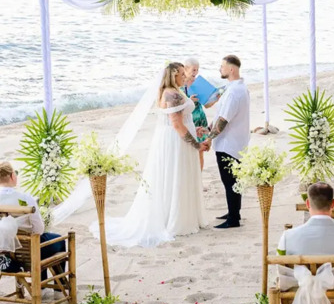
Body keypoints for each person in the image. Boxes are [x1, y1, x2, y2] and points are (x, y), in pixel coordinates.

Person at [95, 62, 209, 247]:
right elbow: (176, 124)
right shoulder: (171, 93)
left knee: (180, 176)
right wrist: (196, 145)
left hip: (177, 138)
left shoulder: (176, 91)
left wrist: (197, 129)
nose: (184, 76)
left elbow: (183, 120)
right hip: (175, 142)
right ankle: (175, 220)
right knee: (176, 176)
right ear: (172, 76)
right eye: (181, 74)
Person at [0, 161, 66, 276]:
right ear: (12, 176)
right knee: (58, 240)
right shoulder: (25, 199)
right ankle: (58, 288)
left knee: (39, 241)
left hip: (2, 252)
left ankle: (43, 285)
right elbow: (38, 230)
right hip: (29, 251)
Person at [277, 182, 334, 285]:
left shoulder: (287, 236)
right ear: (333, 203)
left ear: (307, 203)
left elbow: (282, 272)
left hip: (298, 296)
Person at [206, 55, 250, 229]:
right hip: (236, 141)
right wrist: (209, 128)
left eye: (222, 66)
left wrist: (209, 139)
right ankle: (234, 212)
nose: (220, 69)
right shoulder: (238, 88)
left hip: (229, 143)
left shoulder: (233, 92)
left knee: (230, 181)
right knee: (233, 180)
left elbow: (224, 120)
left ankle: (233, 218)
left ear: (231, 69)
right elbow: (220, 115)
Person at [182, 57, 218, 172]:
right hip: (188, 120)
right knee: (187, 150)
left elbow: (207, 105)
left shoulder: (199, 84)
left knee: (200, 151)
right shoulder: (180, 85)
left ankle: (199, 178)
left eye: (197, 70)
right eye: (193, 70)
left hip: (200, 120)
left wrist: (216, 98)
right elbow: (177, 107)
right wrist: (190, 101)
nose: (195, 73)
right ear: (186, 69)